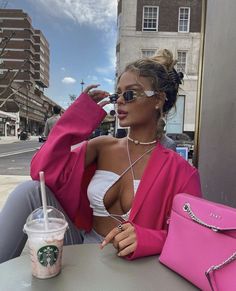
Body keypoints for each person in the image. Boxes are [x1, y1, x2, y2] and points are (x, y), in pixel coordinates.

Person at [0, 49, 202, 263]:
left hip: (137, 264)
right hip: (83, 247)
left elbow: (196, 238)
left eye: (130, 94)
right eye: (117, 94)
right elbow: (42, 171)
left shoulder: (181, 171)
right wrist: (78, 117)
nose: (120, 101)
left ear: (158, 100)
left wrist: (149, 239)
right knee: (29, 191)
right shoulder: (103, 146)